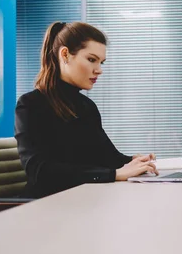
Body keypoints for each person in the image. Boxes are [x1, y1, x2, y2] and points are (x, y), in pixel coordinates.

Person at [15, 21, 157, 198]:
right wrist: (114, 174)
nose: (98, 70)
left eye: (101, 63)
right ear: (65, 54)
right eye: (91, 60)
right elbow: (40, 171)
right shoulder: (31, 104)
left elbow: (107, 157)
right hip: (48, 207)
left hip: (86, 200)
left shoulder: (86, 107)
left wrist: (134, 162)